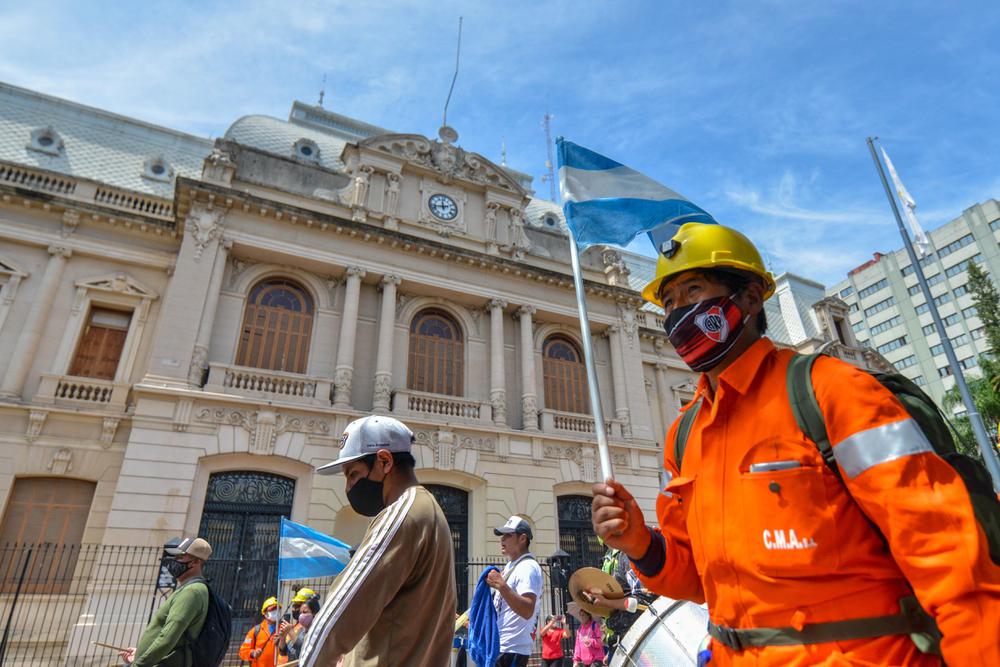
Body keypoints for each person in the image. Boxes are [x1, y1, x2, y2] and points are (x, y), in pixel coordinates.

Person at [591, 222, 1000, 664]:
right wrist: (639, 543)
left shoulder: (832, 391)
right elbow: (697, 580)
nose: (676, 313)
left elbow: (952, 558)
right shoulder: (685, 434)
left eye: (693, 290)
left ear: (749, 298)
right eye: (668, 302)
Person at [299, 415, 457, 667]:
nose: (349, 486)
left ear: (384, 461)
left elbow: (337, 615)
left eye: (353, 474)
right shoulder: (429, 511)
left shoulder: (402, 515)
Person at [118, 537, 212, 667]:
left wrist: (138, 665)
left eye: (180, 557)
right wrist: (140, 653)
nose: (174, 561)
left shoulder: (192, 591)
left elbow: (168, 637)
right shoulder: (189, 588)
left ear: (195, 562)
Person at [487, 515, 543, 667]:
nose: (502, 539)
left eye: (508, 535)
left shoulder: (528, 567)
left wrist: (502, 586)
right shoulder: (512, 566)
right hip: (502, 647)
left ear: (522, 538)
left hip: (513, 649)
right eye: (502, 535)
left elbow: (527, 609)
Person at [588, 546, 655, 661]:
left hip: (640, 641)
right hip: (620, 642)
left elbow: (644, 601)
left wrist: (607, 602)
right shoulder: (610, 557)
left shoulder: (626, 556)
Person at [238, 596, 280, 667]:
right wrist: (253, 653)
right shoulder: (255, 630)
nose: (275, 612)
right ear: (265, 613)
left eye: (277, 609)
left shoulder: (284, 629)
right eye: (272, 609)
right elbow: (242, 651)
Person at [278, 593, 320, 663]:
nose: (301, 616)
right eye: (301, 613)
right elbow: (284, 652)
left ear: (314, 613)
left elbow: (305, 651)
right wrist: (282, 637)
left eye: (305, 612)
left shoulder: (316, 632)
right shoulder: (300, 630)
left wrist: (291, 632)